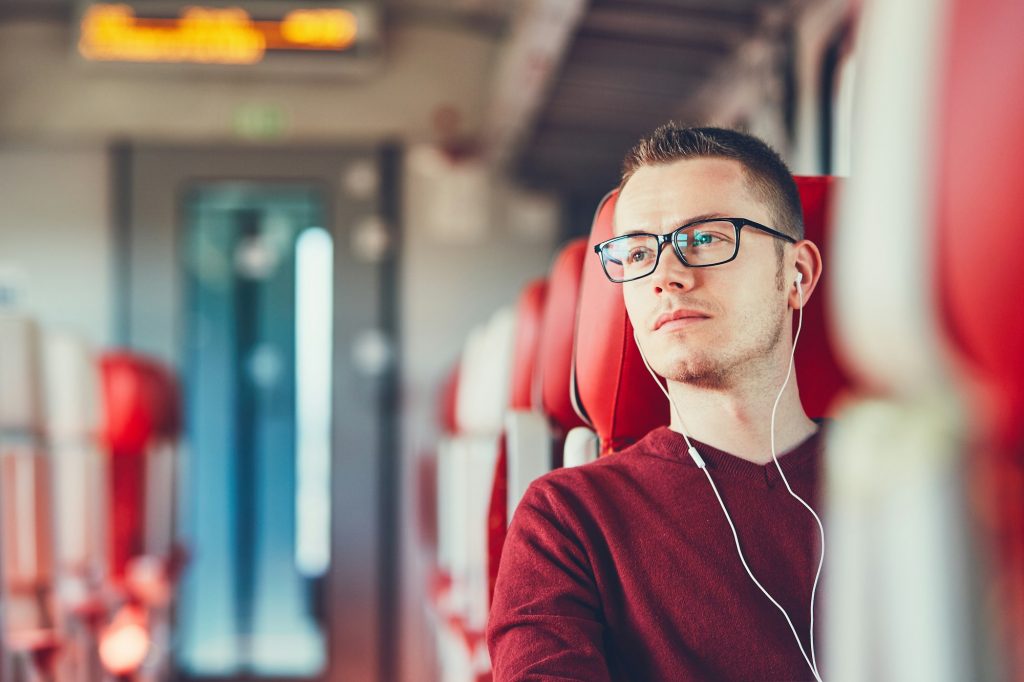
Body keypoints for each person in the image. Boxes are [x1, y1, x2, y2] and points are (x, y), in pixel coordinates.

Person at [486, 125, 826, 681]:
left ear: (797, 274)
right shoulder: (568, 520)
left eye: (706, 238)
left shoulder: (912, 488)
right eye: (639, 252)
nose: (665, 277)